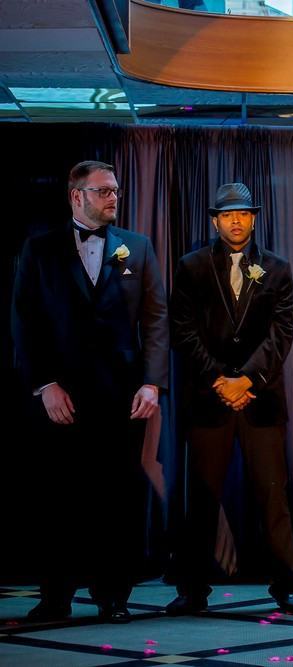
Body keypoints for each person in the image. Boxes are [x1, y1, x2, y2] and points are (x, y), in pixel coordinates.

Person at [12, 160, 169, 623]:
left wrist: (152, 382)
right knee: (58, 498)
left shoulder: (137, 247)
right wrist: (44, 385)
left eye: (115, 190)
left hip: (122, 397)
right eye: (103, 191)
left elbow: (156, 318)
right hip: (61, 396)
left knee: (118, 498)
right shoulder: (40, 248)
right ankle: (55, 597)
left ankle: (112, 595)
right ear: (76, 196)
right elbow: (24, 321)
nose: (113, 198)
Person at [167, 183, 293, 616]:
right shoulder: (191, 266)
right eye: (228, 214)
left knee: (273, 495)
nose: (236, 221)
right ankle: (193, 588)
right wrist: (220, 380)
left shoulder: (277, 269)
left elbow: (282, 333)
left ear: (254, 219)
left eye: (243, 214)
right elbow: (182, 330)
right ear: (215, 221)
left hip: (259, 399)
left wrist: (245, 380)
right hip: (209, 399)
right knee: (202, 497)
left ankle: (287, 583)